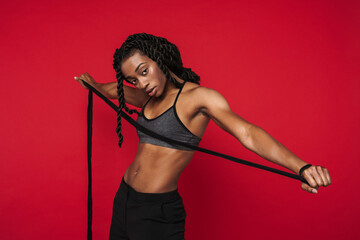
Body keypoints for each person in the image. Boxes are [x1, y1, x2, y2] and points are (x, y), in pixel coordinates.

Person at [75, 33, 332, 240]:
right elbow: (113, 91)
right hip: (124, 200)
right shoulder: (147, 96)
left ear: (159, 59)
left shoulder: (199, 98)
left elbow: (248, 133)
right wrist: (94, 85)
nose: (141, 84)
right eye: (133, 80)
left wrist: (301, 166)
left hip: (157, 212)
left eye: (144, 72)